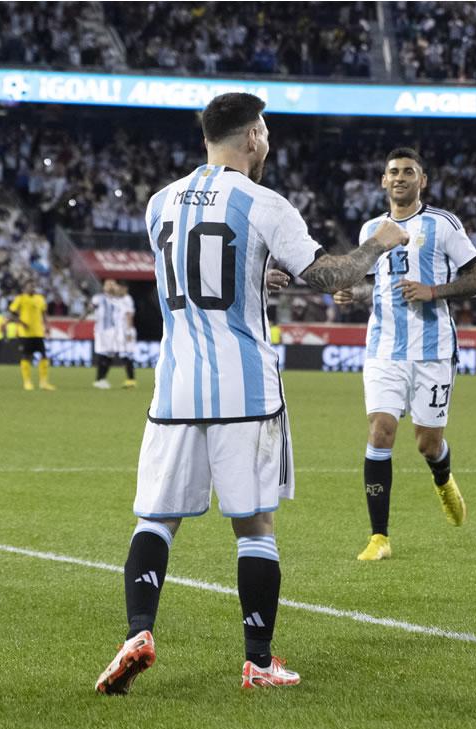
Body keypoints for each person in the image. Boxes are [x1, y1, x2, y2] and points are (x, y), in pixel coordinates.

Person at [96, 92, 410, 695]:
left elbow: (198, 271)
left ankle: (138, 631)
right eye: (265, 133)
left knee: (156, 519)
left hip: (176, 386)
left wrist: (257, 273)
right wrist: (379, 244)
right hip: (243, 386)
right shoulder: (264, 202)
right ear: (254, 137)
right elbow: (330, 276)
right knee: (255, 525)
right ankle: (259, 662)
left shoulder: (159, 203)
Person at [333, 147, 476, 562]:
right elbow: (376, 286)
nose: (399, 178)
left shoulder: (442, 225)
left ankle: (443, 478)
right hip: (384, 348)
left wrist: (433, 291)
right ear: (383, 182)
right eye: (392, 172)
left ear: (422, 181)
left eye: (408, 172)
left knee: (427, 442)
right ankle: (379, 537)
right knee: (381, 429)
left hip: (433, 349)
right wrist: (353, 292)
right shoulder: (373, 228)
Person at [8, 280, 55, 391]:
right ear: (25, 288)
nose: (32, 288)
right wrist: (21, 322)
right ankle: (27, 382)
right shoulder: (20, 298)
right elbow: (11, 313)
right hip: (25, 333)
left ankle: (43, 382)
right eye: (29, 286)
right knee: (26, 356)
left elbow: (44, 314)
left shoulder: (40, 299)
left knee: (44, 356)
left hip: (38, 332)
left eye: (33, 286)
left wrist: (47, 326)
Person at [81, 279, 127, 389]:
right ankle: (99, 379)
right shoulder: (99, 298)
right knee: (103, 354)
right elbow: (91, 308)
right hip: (102, 330)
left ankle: (102, 378)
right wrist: (83, 317)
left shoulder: (117, 300)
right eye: (111, 285)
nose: (113, 287)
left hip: (114, 330)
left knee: (110, 354)